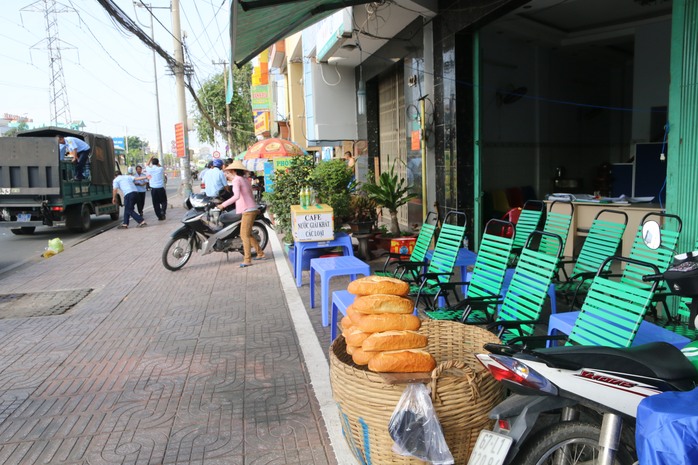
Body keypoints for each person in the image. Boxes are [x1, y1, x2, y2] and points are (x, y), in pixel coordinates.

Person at [219, 160, 266, 267]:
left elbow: (236, 196)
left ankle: (247, 260)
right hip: (251, 208)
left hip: (247, 210)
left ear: (234, 171)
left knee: (244, 235)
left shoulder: (237, 180)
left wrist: (223, 205)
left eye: (229, 172)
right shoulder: (245, 179)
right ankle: (260, 253)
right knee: (248, 234)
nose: (227, 174)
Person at [145, 156, 167, 220]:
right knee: (163, 201)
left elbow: (147, 164)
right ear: (158, 163)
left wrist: (150, 159)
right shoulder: (160, 169)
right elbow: (160, 166)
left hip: (153, 189)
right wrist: (157, 163)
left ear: (152, 163)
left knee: (155, 203)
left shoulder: (150, 169)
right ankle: (163, 210)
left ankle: (159, 216)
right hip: (160, 188)